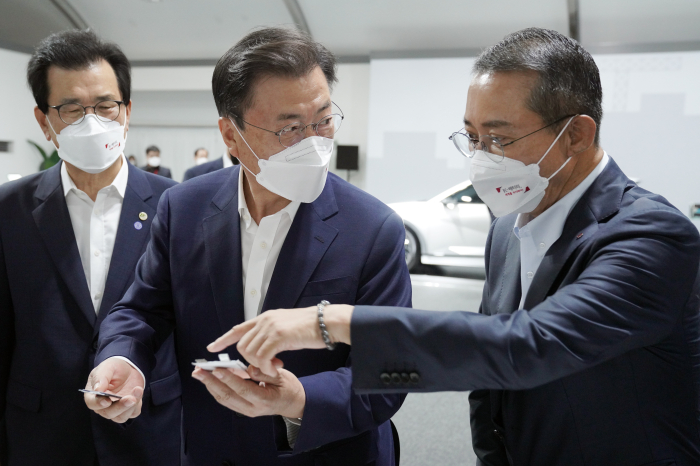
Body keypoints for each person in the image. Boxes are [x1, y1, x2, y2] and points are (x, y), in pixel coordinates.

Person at [210, 27, 700, 466]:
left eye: (499, 139)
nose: (481, 158)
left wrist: (331, 322)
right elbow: (488, 372)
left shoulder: (650, 236)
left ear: (575, 134)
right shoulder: (508, 230)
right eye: (471, 136)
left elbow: (528, 346)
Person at [85, 27, 411, 466]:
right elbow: (141, 310)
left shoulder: (373, 228)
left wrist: (300, 399)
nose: (313, 142)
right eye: (290, 128)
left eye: (323, 119)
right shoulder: (183, 207)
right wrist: (124, 359)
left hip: (329, 452)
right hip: (212, 448)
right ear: (231, 135)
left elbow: (389, 373)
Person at [0, 30, 181, 466]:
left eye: (104, 106)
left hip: (151, 431)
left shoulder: (178, 207)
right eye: (72, 109)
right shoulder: (9, 210)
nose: (92, 121)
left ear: (127, 111)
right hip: (42, 436)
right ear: (44, 121)